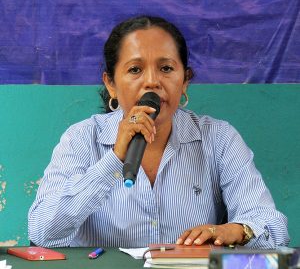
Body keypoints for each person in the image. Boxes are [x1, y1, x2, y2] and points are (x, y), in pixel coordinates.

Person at [28, 15, 289, 248]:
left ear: (185, 81)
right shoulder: (82, 138)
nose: (152, 81)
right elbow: (41, 231)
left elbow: (272, 227)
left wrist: (236, 230)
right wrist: (114, 160)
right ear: (111, 85)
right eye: (135, 69)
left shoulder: (218, 138)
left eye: (166, 68)